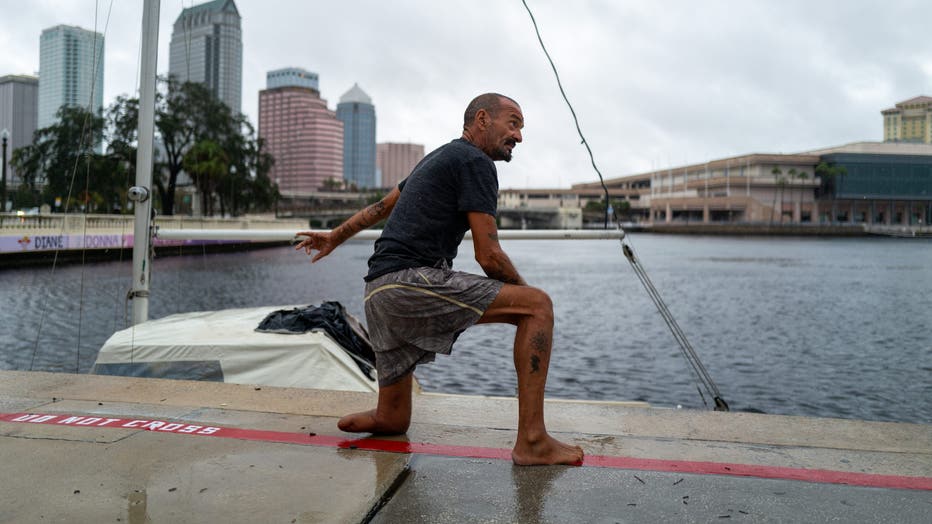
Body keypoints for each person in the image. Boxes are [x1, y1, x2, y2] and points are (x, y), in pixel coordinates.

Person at [295, 93, 584, 466]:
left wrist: (336, 236)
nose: (519, 136)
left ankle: (384, 414)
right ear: (482, 119)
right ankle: (532, 440)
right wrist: (528, 299)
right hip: (408, 284)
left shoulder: (438, 157)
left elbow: (382, 207)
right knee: (538, 306)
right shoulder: (475, 161)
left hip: (377, 292)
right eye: (513, 123)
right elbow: (489, 256)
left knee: (395, 420)